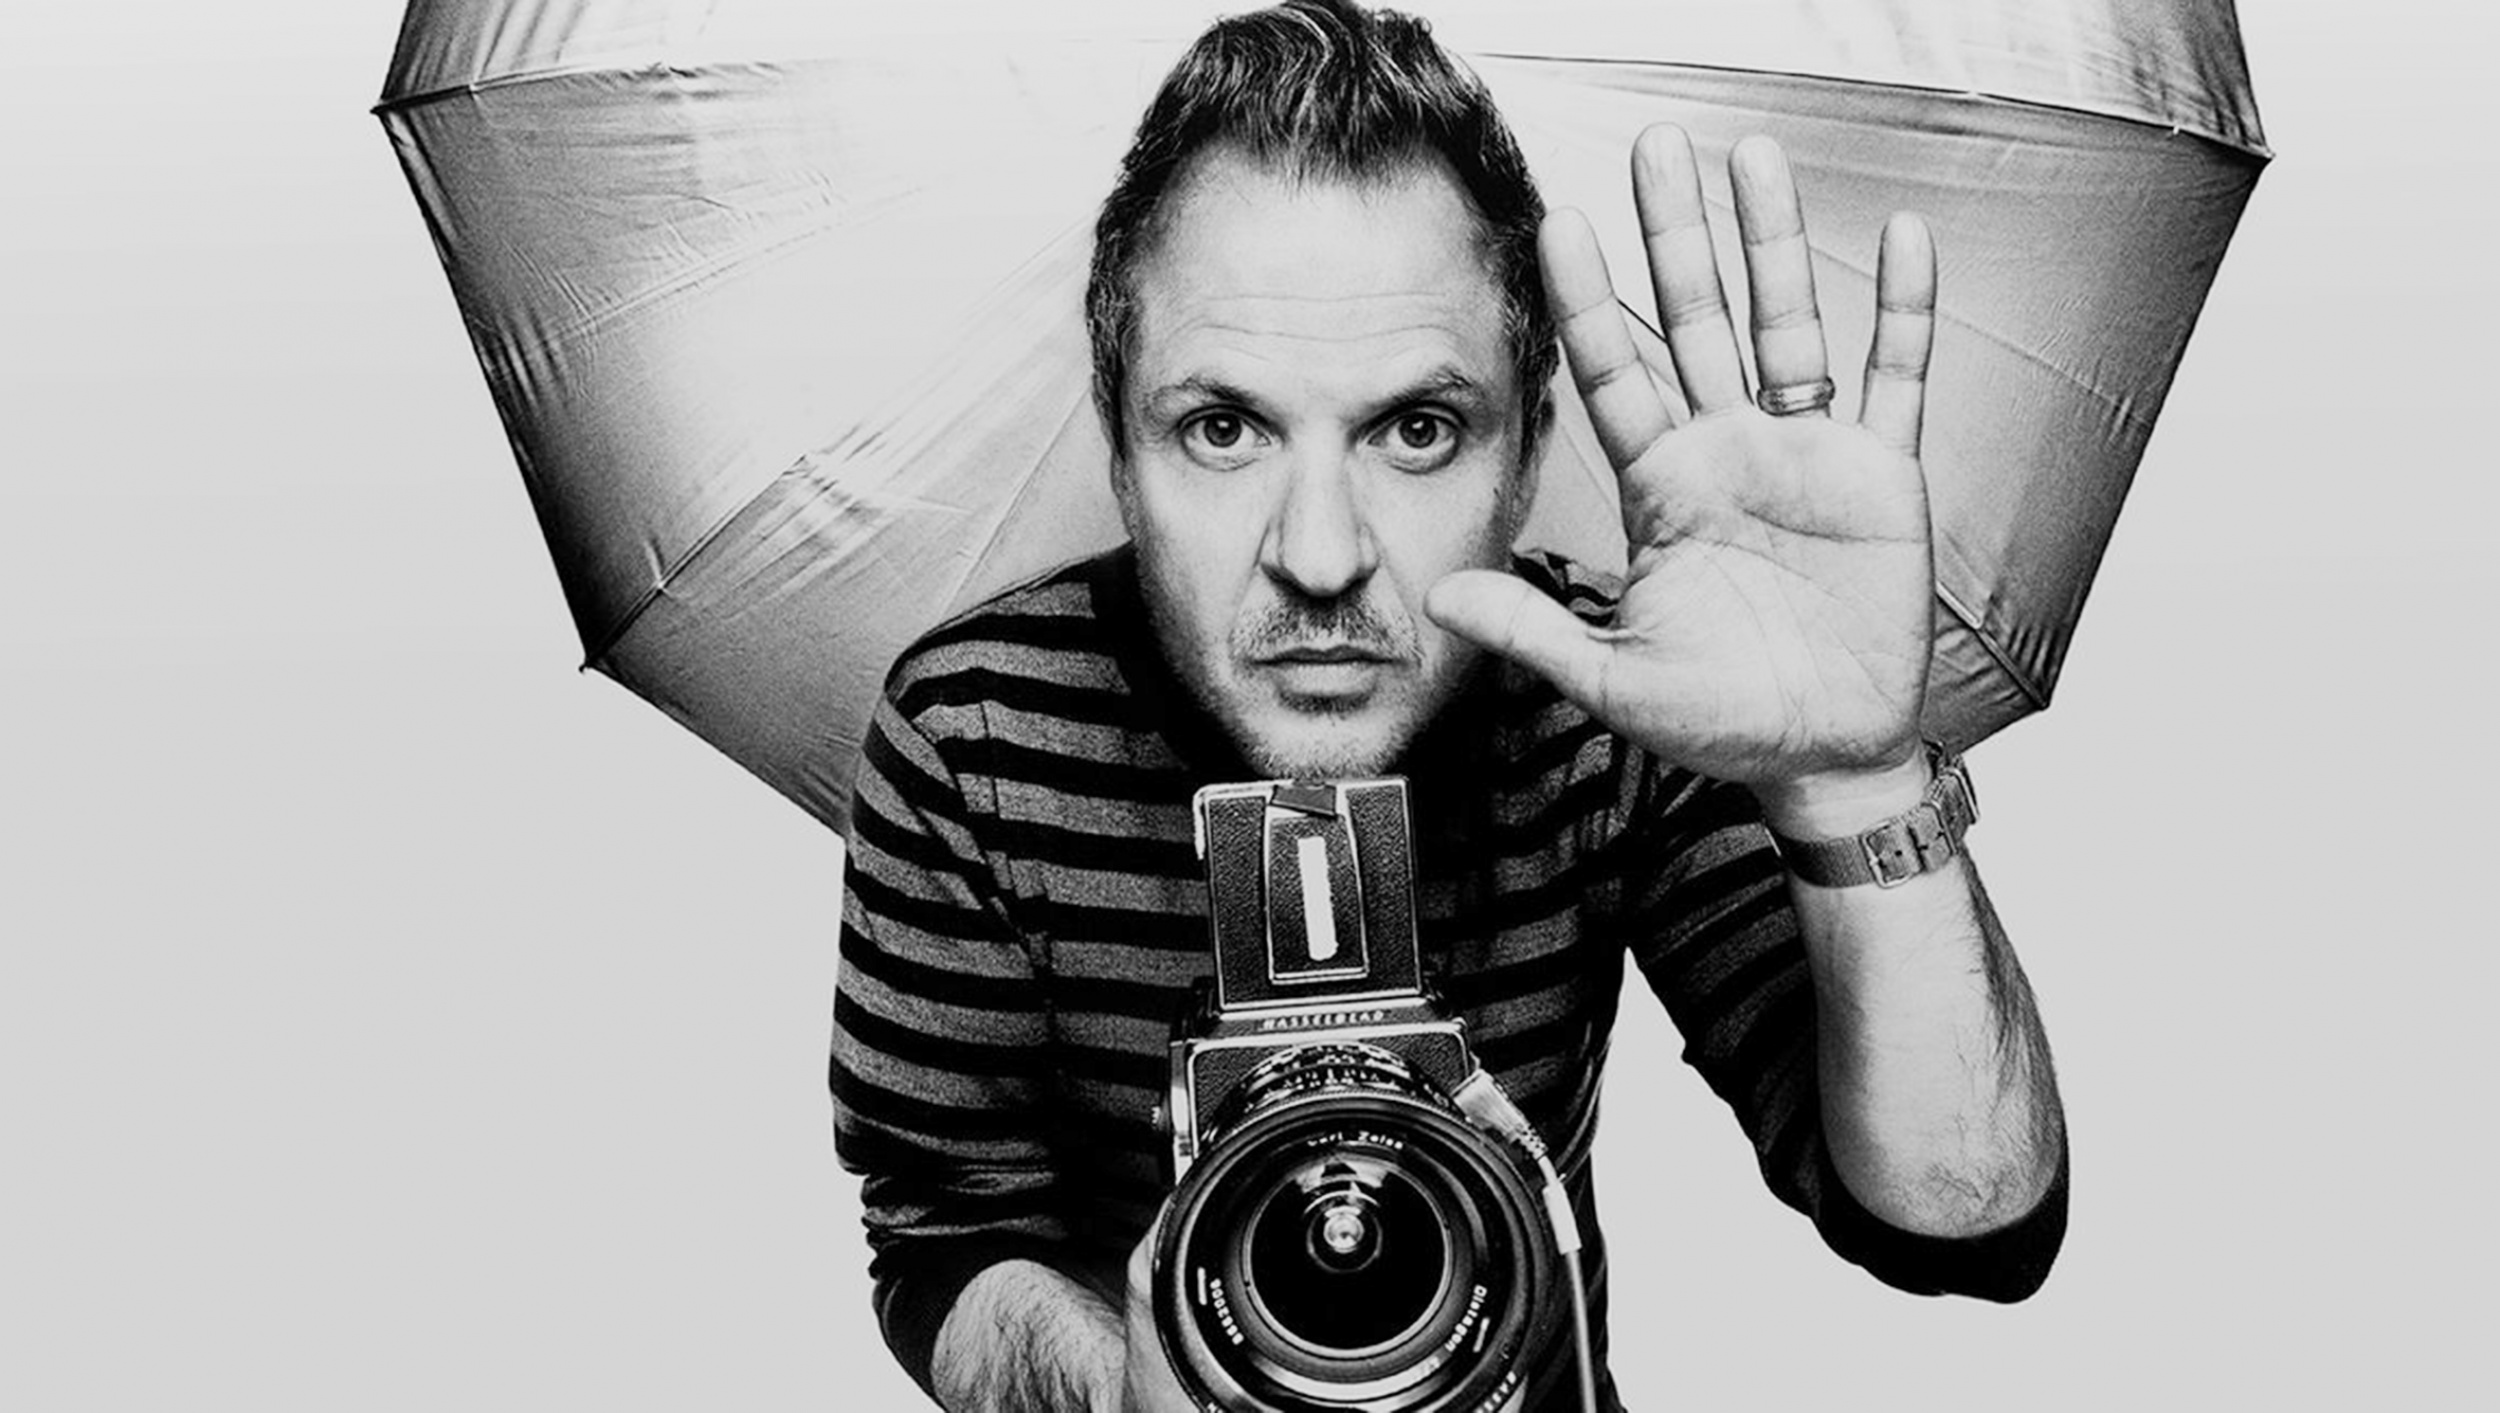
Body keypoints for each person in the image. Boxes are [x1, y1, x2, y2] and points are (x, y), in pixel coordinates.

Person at [829, 2, 2068, 1408]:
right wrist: (1129, 1391)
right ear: (1119, 444)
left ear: (1530, 447)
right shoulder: (976, 731)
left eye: (1416, 430)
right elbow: (943, 1240)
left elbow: (1963, 1219)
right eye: (1224, 428)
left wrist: (1853, 784)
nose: (1319, 555)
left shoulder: (1631, 692)